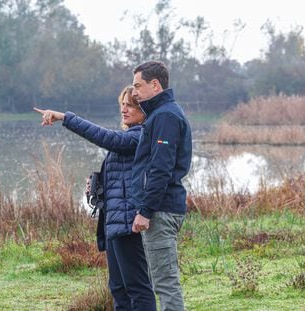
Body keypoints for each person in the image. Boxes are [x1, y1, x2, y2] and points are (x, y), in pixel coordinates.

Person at [34, 86, 157, 311]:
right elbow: (124, 175)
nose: (124, 110)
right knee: (118, 288)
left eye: (130, 105)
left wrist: (64, 118)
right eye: (122, 105)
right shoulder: (129, 136)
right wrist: (99, 185)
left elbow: (106, 138)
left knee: (137, 288)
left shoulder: (141, 135)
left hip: (129, 222)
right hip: (114, 220)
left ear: (145, 110)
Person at [130, 60, 192, 311]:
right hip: (163, 207)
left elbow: (161, 168)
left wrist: (145, 210)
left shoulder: (165, 115)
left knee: (165, 283)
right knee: (162, 281)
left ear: (155, 85)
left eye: (138, 85)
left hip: (161, 210)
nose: (134, 92)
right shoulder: (159, 114)